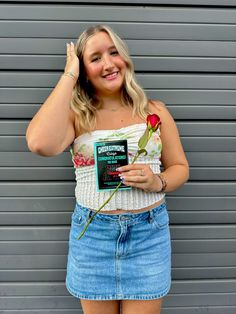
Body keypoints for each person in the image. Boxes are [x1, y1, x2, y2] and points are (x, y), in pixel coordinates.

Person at [26, 25, 189, 314]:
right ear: (84, 70)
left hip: (148, 236)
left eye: (114, 53)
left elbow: (180, 167)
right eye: (95, 58)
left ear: (125, 58)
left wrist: (157, 181)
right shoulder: (77, 118)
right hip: (93, 238)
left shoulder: (155, 112)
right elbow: (39, 143)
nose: (109, 64)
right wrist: (69, 75)